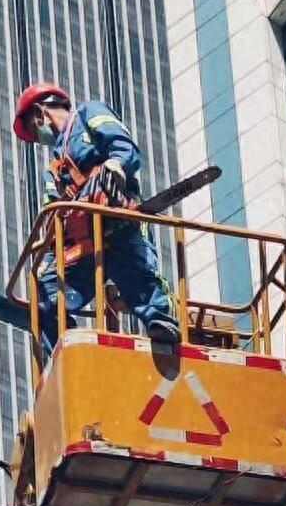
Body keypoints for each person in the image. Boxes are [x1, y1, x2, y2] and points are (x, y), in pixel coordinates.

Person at [13, 82, 180, 352]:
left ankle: (161, 320)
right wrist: (45, 261)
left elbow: (122, 145)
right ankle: (64, 349)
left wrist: (116, 164)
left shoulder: (88, 114)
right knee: (43, 296)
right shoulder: (52, 171)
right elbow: (53, 222)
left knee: (141, 280)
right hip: (85, 245)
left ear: (40, 111)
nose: (38, 136)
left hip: (118, 222)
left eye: (33, 129)